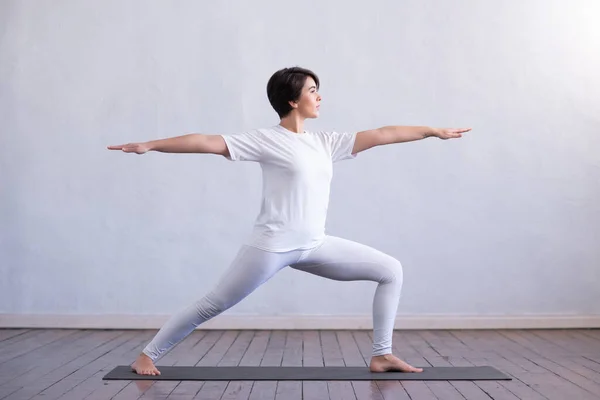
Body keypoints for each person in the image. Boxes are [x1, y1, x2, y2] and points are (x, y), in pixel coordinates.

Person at [108, 67, 471, 376]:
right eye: (313, 91)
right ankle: (147, 355)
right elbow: (205, 141)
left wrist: (432, 131)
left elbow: (383, 134)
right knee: (214, 303)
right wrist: (150, 144)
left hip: (314, 244)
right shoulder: (266, 140)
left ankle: (382, 354)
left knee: (390, 270)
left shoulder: (326, 142)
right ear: (293, 101)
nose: (320, 97)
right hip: (271, 246)